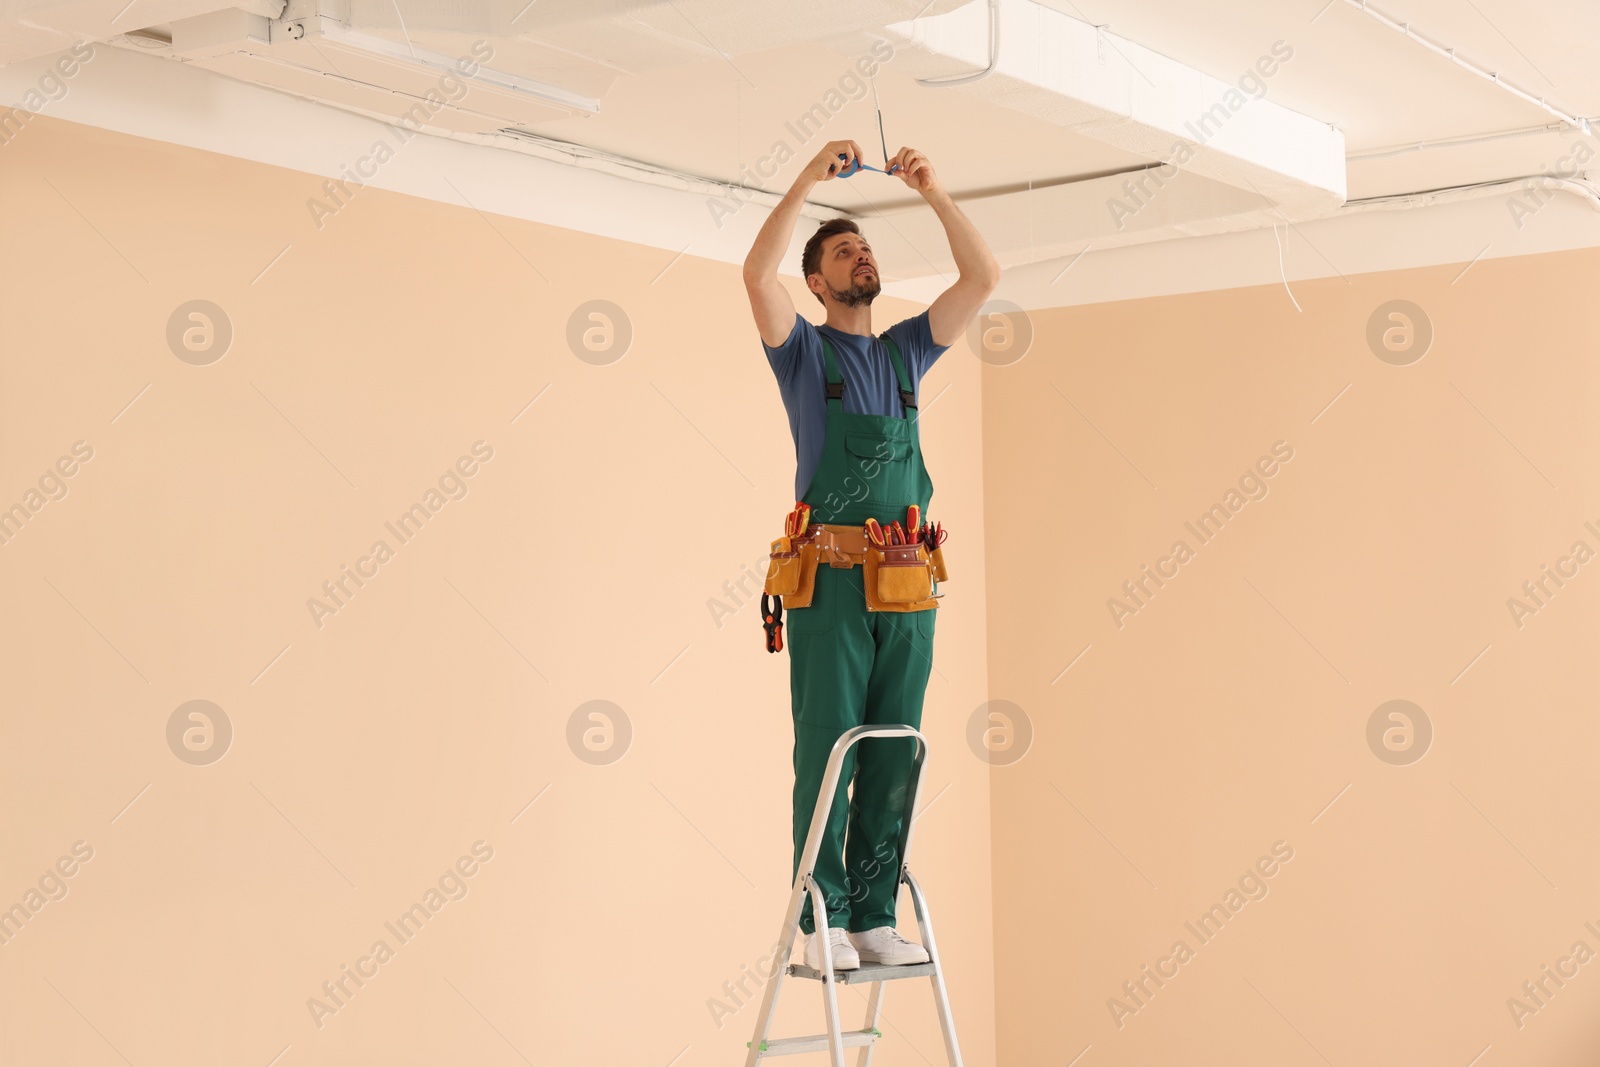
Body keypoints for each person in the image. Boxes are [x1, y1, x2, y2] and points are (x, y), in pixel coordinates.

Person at [742, 139, 1000, 971]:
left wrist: (935, 191)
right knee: (827, 744)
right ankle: (818, 923)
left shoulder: (906, 351)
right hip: (831, 587)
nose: (862, 256)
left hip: (909, 583)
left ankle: (871, 918)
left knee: (895, 748)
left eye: (866, 248)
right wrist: (808, 181)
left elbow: (984, 277)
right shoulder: (804, 355)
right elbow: (755, 275)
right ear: (818, 281)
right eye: (845, 251)